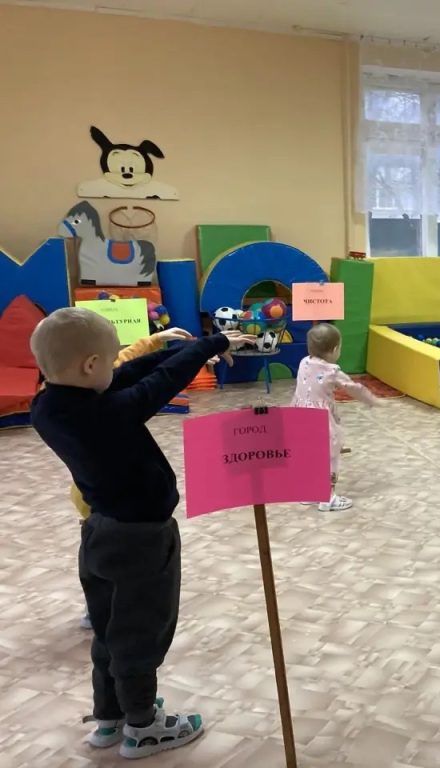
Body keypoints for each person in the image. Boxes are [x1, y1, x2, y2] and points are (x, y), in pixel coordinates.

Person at [29, 308, 253, 758]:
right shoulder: (107, 414)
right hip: (141, 540)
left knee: (109, 630)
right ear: (90, 365)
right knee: (140, 634)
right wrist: (210, 345)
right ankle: (143, 727)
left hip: (99, 534)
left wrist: (185, 349)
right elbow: (154, 387)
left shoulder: (48, 406)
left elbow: (126, 377)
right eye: (110, 359)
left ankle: (111, 716)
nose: (117, 366)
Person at [64, 326, 208, 630]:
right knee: (112, 555)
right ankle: (105, 610)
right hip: (104, 501)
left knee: (97, 548)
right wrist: (194, 353)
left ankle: (100, 608)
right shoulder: (95, 407)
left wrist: (156, 341)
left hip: (91, 496)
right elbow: (148, 381)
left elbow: (124, 363)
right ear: (89, 364)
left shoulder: (63, 393)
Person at [291, 323, 377, 511]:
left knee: (308, 455)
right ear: (335, 349)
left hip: (299, 418)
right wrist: (371, 400)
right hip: (320, 421)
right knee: (330, 456)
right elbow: (353, 388)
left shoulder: (304, 362)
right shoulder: (332, 371)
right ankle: (328, 498)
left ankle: (309, 492)